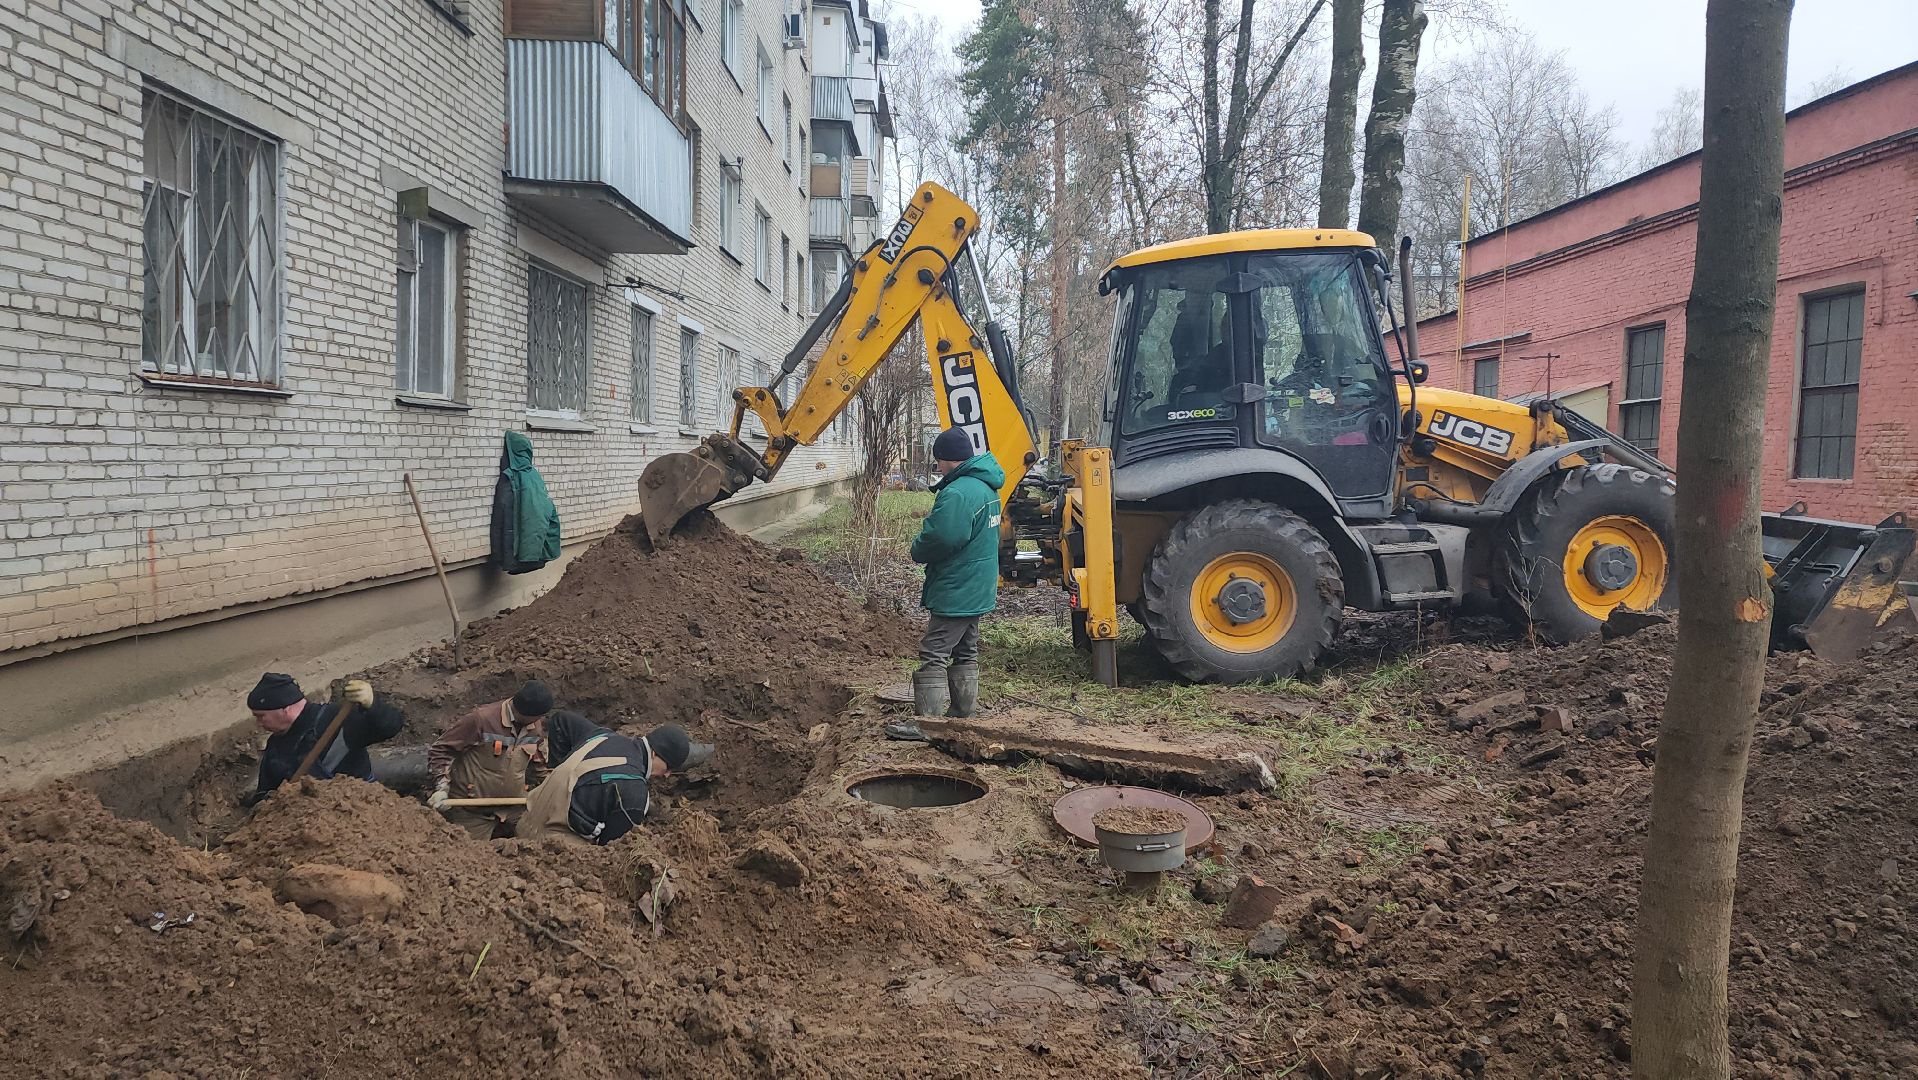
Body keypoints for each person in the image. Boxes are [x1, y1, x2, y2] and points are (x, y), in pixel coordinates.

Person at [886, 426, 1005, 741]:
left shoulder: (958, 492)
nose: (937, 467)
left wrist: (917, 548)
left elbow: (943, 537)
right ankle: (963, 714)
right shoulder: (986, 487)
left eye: (938, 461)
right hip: (978, 584)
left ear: (946, 459)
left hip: (958, 586)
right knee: (966, 649)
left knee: (935, 650)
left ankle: (929, 725)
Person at [515, 711, 713, 848]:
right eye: (668, 767)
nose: (667, 775)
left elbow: (562, 720)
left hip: (524, 821)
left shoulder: (603, 736)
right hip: (551, 849)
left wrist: (555, 769)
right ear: (654, 754)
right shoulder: (635, 792)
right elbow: (609, 849)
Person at [245, 672, 404, 806]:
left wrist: (373, 705)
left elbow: (390, 727)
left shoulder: (336, 720)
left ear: (285, 709)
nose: (259, 724)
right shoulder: (275, 747)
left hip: (360, 810)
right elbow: (266, 793)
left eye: (261, 716)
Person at [426, 680, 554, 839]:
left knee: (538, 846)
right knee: (473, 858)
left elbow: (539, 766)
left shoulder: (535, 728)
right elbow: (441, 749)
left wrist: (552, 788)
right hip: (473, 810)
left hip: (515, 806)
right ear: (525, 714)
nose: (539, 721)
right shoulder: (481, 720)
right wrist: (442, 788)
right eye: (537, 717)